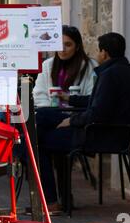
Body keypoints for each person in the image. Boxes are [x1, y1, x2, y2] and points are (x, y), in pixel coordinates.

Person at [44, 32, 130, 212]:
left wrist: (71, 121)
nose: (97, 55)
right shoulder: (128, 72)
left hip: (101, 135)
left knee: (41, 142)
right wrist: (70, 98)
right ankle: (61, 200)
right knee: (45, 117)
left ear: (104, 53)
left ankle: (52, 201)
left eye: (98, 51)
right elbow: (100, 102)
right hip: (113, 132)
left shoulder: (110, 75)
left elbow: (98, 113)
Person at [33, 25, 97, 213]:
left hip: (75, 122)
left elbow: (91, 100)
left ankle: (51, 201)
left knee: (33, 144)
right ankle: (54, 201)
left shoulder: (90, 67)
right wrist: (52, 112)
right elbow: (39, 95)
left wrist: (66, 111)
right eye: (59, 44)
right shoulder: (48, 66)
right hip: (51, 119)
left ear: (77, 46)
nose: (63, 49)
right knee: (39, 133)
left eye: (68, 44)